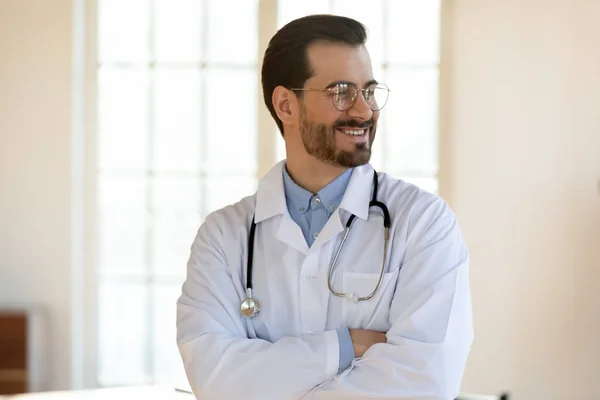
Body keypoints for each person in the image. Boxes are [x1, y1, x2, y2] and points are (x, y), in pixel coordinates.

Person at [176, 14, 473, 400]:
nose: (364, 111)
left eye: (368, 91)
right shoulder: (223, 236)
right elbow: (215, 380)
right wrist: (348, 346)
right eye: (341, 92)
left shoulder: (424, 224)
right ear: (286, 105)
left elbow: (424, 383)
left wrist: (270, 377)